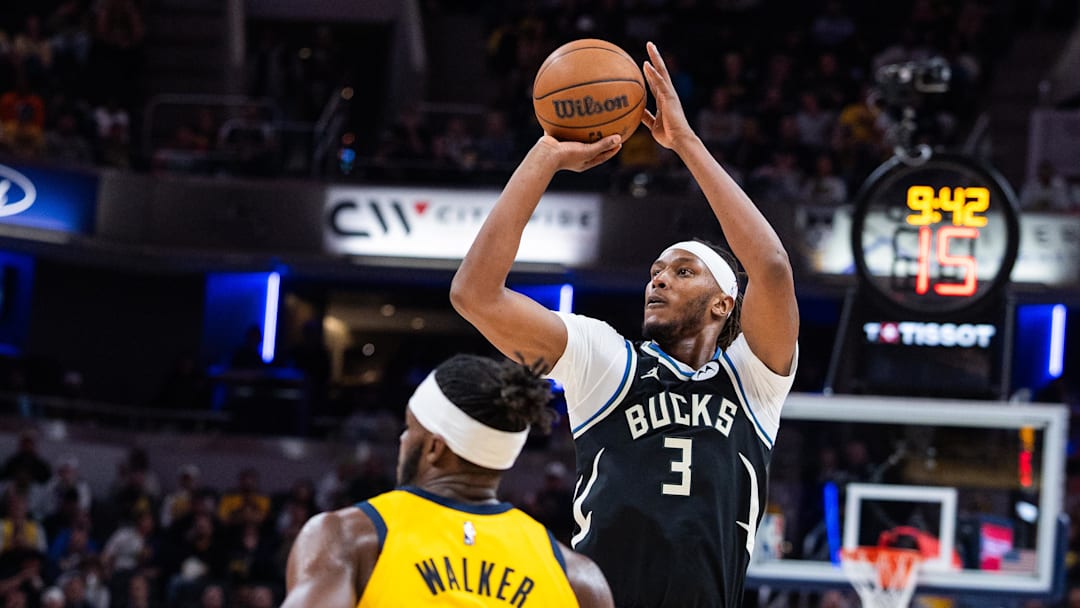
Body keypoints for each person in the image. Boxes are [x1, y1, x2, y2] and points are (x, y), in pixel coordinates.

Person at [450, 41, 799, 608]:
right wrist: (543, 158)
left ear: (723, 304)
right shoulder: (607, 359)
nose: (657, 280)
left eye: (683, 271)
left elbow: (772, 267)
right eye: (655, 271)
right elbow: (474, 295)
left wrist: (684, 141)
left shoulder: (756, 383)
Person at [283, 354, 613, 607]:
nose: (402, 439)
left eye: (411, 428)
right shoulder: (577, 575)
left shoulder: (348, 536)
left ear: (434, 448)